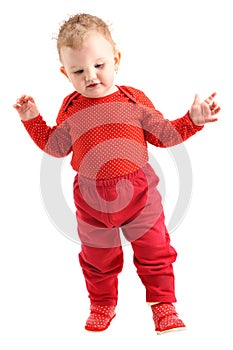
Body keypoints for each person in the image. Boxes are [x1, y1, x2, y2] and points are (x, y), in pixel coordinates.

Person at [13, 13, 220, 334]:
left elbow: (163, 136)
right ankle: (102, 304)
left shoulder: (133, 100)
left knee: (155, 248)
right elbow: (56, 147)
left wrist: (192, 120)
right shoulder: (71, 107)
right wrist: (32, 118)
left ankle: (163, 303)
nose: (91, 76)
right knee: (97, 256)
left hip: (139, 192)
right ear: (64, 73)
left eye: (99, 65)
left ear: (116, 59)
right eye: (78, 70)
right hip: (90, 197)